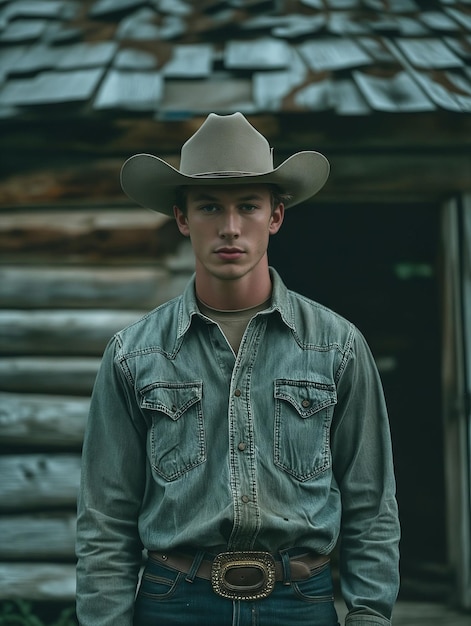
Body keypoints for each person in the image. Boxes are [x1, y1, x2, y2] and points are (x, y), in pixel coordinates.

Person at [75, 112, 400, 626]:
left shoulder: (336, 346)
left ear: (276, 216)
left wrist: (368, 615)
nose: (229, 228)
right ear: (182, 218)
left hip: (300, 602)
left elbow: (371, 503)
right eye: (209, 207)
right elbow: (104, 515)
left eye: (248, 206)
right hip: (173, 601)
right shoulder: (133, 354)